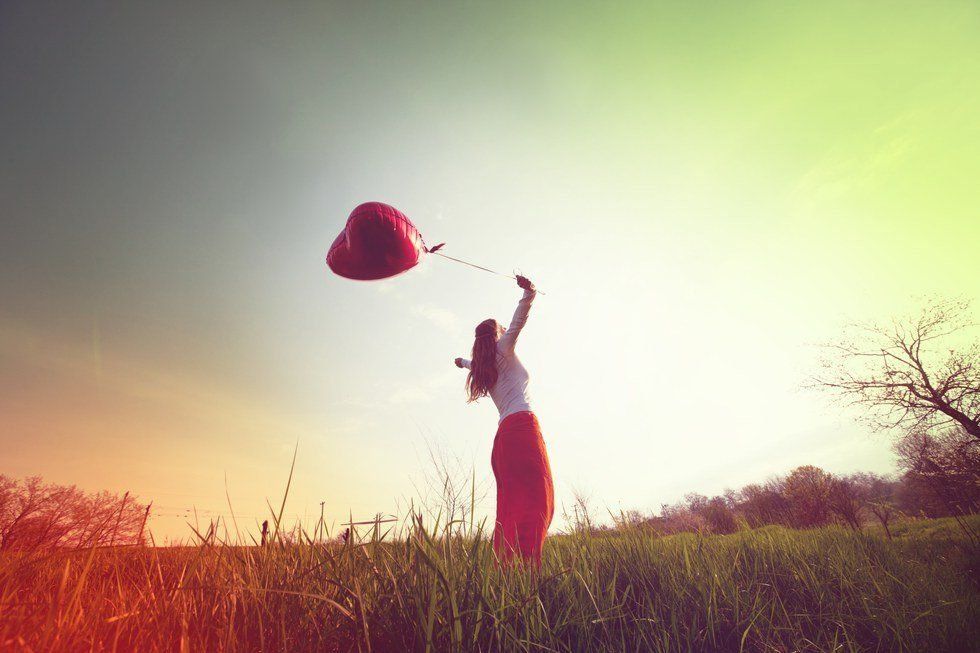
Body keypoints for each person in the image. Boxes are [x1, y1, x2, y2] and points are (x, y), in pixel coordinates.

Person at [454, 275, 554, 566]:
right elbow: (519, 321)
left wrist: (462, 363)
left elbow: (471, 364)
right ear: (497, 335)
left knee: (512, 503)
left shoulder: (483, 366)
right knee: (538, 498)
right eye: (500, 330)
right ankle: (528, 567)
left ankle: (509, 567)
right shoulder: (503, 349)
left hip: (504, 440)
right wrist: (529, 291)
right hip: (522, 428)